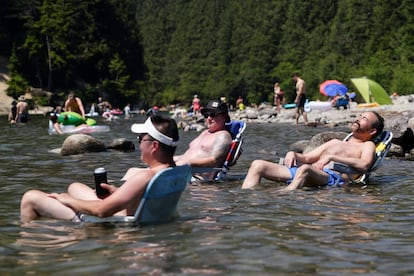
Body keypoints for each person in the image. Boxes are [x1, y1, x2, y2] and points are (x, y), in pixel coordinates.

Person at [20, 115, 179, 222]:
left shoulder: (145, 176)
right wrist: (119, 192)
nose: (138, 143)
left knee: (30, 198)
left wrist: (68, 200)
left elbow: (102, 211)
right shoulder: (176, 171)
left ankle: (32, 247)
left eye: (140, 139)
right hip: (139, 215)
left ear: (155, 146)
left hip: (110, 225)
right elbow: (147, 200)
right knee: (75, 186)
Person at [241, 111, 385, 190]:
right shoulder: (335, 142)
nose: (358, 118)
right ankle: (248, 200)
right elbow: (308, 158)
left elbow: (364, 165)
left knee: (305, 169)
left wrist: (333, 158)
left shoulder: (367, 146)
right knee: (258, 165)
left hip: (332, 178)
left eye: (364, 118)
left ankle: (283, 200)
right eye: (360, 115)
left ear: (372, 131)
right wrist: (293, 154)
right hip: (309, 170)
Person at [174, 99, 232, 168]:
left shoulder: (223, 136)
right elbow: (187, 156)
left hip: (196, 175)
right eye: (206, 115)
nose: (209, 118)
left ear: (224, 116)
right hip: (182, 170)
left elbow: (214, 161)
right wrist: (171, 159)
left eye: (213, 114)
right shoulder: (205, 132)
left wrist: (186, 163)